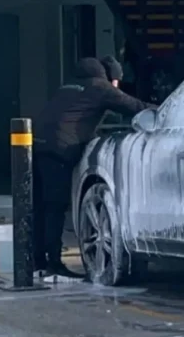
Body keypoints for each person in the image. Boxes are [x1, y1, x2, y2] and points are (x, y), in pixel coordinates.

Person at [32, 56, 154, 280]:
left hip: (36, 146)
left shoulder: (68, 86)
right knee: (55, 208)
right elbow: (134, 107)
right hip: (60, 150)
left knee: (39, 207)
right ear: (109, 76)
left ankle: (37, 261)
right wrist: (162, 111)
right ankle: (54, 264)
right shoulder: (101, 88)